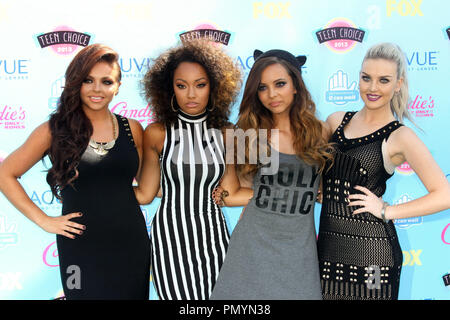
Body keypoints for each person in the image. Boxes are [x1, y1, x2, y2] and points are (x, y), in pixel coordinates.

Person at [0, 44, 151, 299]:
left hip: (131, 243)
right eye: (88, 80)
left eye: (106, 81)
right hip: (81, 246)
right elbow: (6, 174)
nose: (96, 89)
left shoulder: (132, 129)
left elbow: (145, 191)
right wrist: (44, 221)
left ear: (118, 86)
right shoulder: (55, 129)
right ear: (75, 82)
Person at [317, 42, 450, 300]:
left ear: (398, 84)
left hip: (374, 256)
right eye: (366, 78)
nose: (373, 88)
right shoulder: (335, 120)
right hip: (329, 252)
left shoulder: (400, 136)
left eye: (384, 80)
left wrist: (387, 211)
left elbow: (444, 195)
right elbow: (307, 162)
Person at [209, 49, 333, 300]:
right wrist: (221, 192)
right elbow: (232, 193)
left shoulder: (319, 133)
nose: (272, 94)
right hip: (252, 249)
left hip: (299, 253)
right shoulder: (247, 134)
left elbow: (319, 188)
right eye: (263, 88)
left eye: (280, 84)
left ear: (296, 86)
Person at [134, 39, 243, 300]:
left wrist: (294, 193)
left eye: (200, 85)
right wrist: (94, 187)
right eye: (181, 86)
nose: (191, 95)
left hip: (214, 238)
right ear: (169, 89)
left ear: (215, 86)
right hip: (170, 240)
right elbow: (146, 194)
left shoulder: (229, 133)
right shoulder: (157, 133)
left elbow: (230, 191)